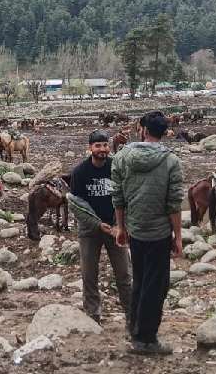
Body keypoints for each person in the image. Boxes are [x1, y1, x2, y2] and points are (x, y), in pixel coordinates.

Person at [112, 110, 183, 355]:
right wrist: (179, 237)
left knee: (140, 280)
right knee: (157, 285)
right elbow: (173, 204)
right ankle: (146, 340)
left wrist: (121, 227)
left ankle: (135, 328)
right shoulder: (171, 161)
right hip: (159, 234)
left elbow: (118, 197)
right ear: (164, 132)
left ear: (142, 129)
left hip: (135, 231)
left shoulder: (121, 157)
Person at [67, 130, 132, 327]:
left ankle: (131, 314)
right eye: (98, 146)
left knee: (124, 274)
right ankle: (93, 314)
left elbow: (127, 197)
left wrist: (120, 225)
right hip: (90, 231)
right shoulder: (79, 173)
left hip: (115, 229)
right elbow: (76, 205)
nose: (102, 149)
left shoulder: (116, 168)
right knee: (89, 274)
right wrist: (97, 224)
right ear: (90, 148)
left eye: (105, 145)